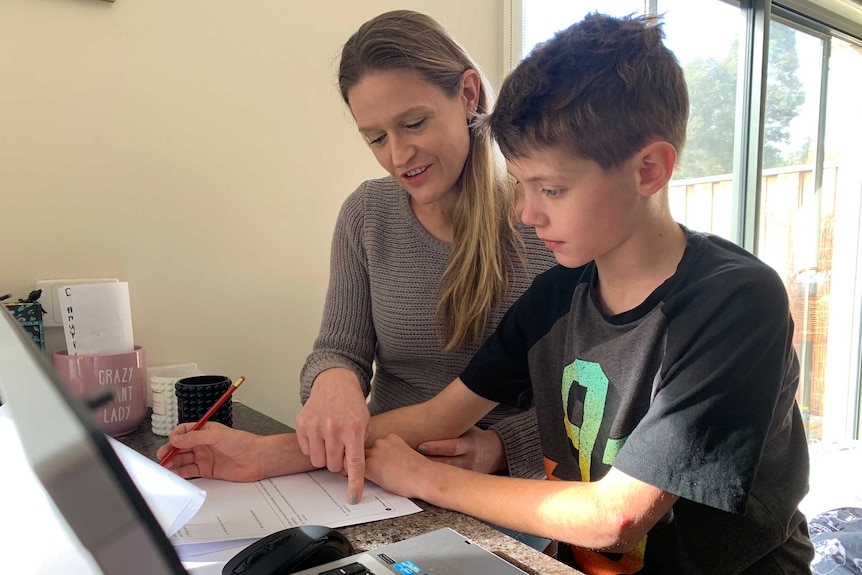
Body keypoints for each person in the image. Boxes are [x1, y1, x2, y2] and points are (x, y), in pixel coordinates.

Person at [159, 13, 815, 573]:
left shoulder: (735, 303)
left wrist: (423, 476)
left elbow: (615, 515)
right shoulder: (559, 295)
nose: (528, 214)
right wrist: (267, 455)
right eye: (522, 186)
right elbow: (433, 417)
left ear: (649, 169)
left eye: (550, 190)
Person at [294, 8, 556, 509]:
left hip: (503, 492)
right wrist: (333, 384)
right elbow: (339, 349)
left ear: (468, 95)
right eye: (375, 138)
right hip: (379, 478)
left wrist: (501, 447)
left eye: (413, 123)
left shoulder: (544, 222)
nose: (398, 155)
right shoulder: (367, 213)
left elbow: (587, 393)